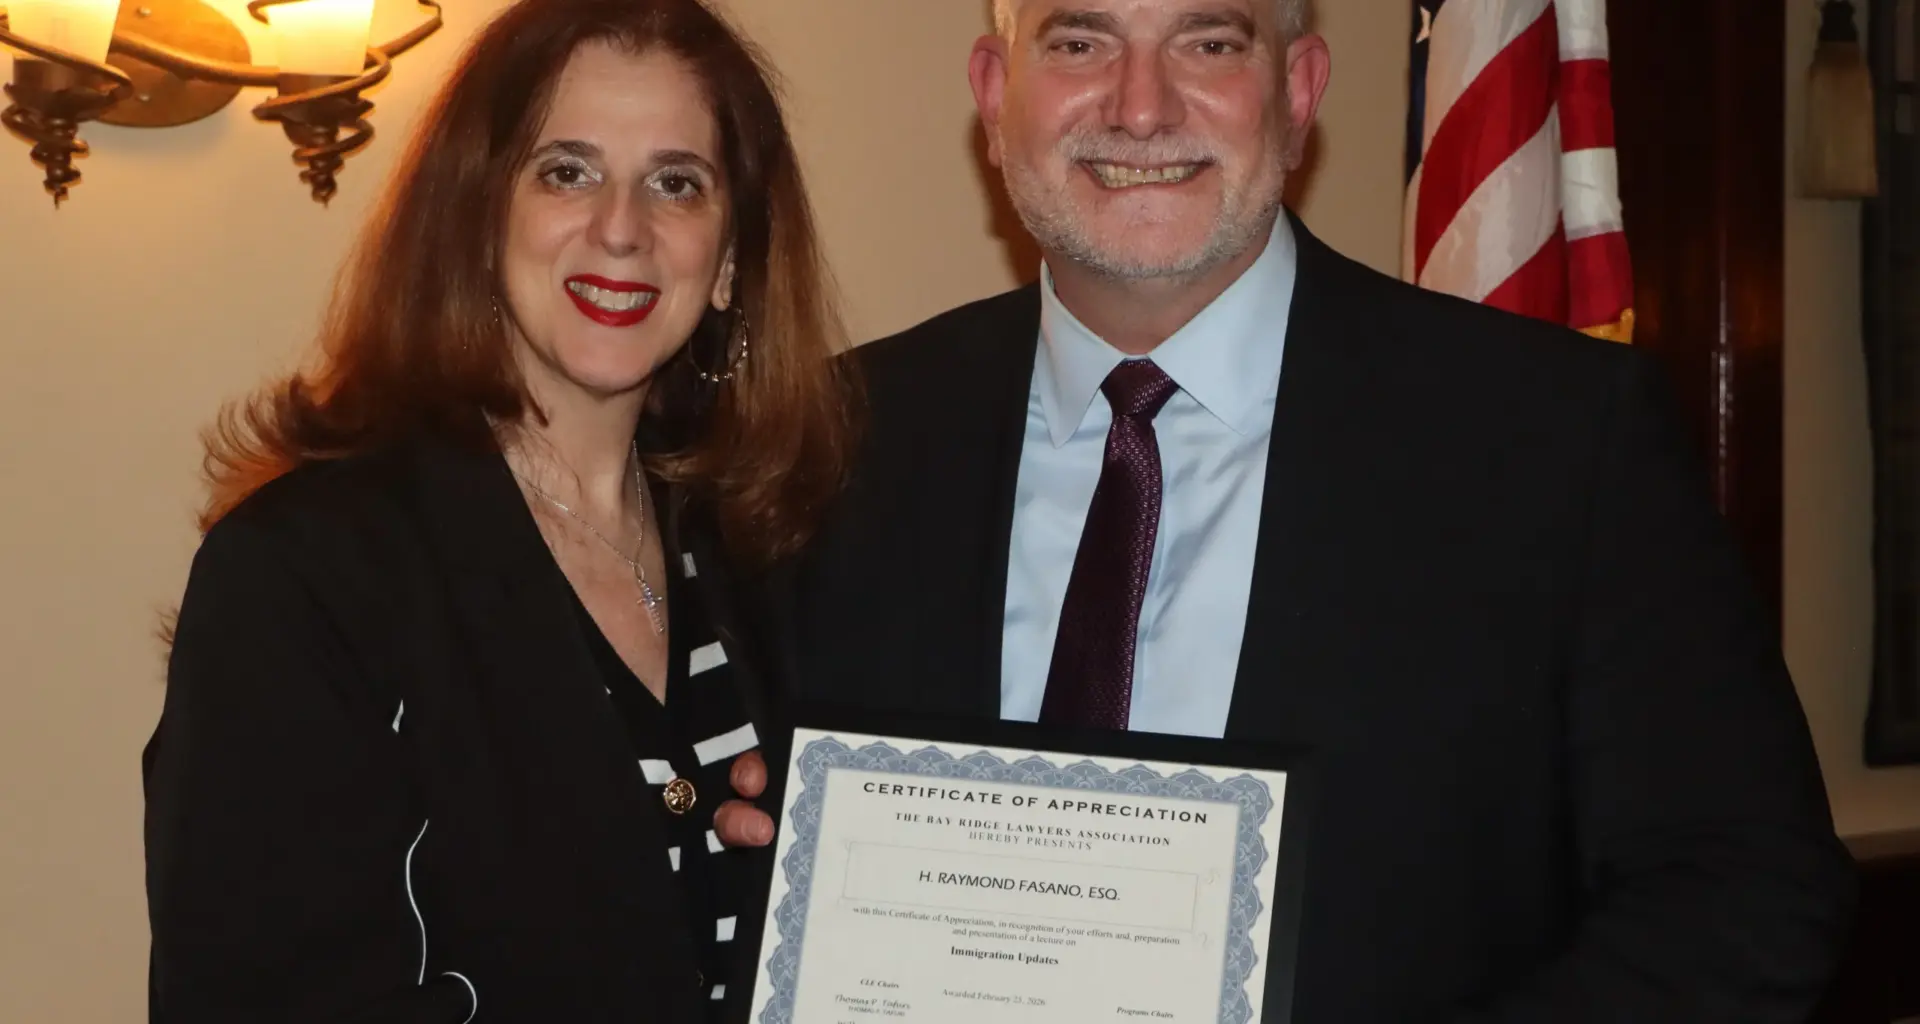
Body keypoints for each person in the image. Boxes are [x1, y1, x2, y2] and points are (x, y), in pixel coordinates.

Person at [772, 0, 1856, 1020]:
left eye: (1209, 43)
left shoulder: (1556, 437)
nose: (1140, 108)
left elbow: (1747, 888)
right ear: (993, 90)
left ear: (1298, 89)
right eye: (1079, 43)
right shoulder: (838, 439)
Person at [143, 0, 856, 1020]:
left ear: (732, 257)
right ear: (479, 215)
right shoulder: (305, 576)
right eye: (566, 170)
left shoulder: (769, 557)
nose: (621, 227)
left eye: (677, 183)